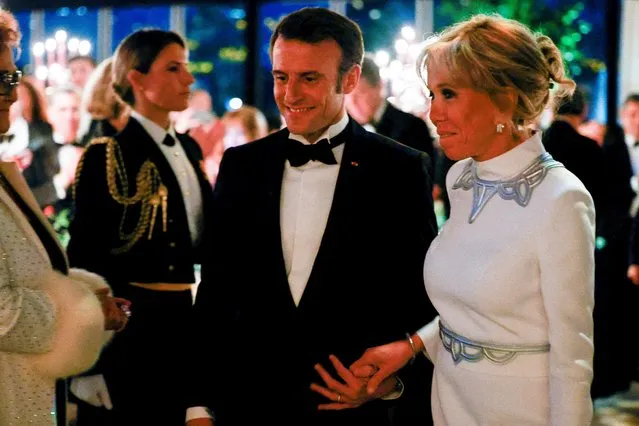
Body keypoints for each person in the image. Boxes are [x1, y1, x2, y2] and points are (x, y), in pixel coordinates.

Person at [186, 7, 438, 426]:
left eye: (310, 78)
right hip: (247, 405)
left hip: (349, 409)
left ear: (350, 79)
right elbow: (215, 293)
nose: (290, 95)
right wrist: (197, 405)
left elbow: (415, 295)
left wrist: (392, 386)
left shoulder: (399, 168)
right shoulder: (241, 165)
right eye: (282, 77)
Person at [343, 14, 595, 425]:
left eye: (448, 94)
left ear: (505, 99)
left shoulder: (561, 200)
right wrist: (411, 346)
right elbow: (472, 308)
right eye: (431, 94)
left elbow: (574, 355)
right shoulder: (461, 179)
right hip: (448, 401)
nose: (433, 112)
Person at [67, 29, 213, 425]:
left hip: (185, 323)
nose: (189, 79)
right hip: (131, 331)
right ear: (137, 78)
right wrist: (87, 365)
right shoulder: (107, 156)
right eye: (173, 68)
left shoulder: (190, 148)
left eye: (185, 67)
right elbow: (83, 257)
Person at [0, 9, 129, 425]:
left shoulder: (5, 173)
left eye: (13, 78)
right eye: (0, 81)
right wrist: (86, 310)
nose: (13, 94)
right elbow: (3, 311)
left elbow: (26, 272)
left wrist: (88, 292)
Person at [346, 55, 435, 163]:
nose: (353, 104)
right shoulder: (348, 132)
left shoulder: (412, 127)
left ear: (379, 86)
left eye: (359, 95)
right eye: (347, 98)